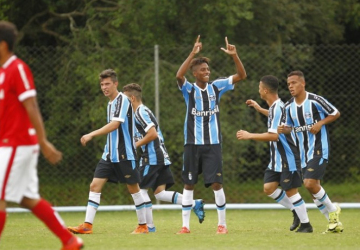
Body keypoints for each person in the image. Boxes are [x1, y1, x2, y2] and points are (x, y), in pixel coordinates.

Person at [0, 21, 83, 250]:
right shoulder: (1, 73)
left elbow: (32, 105)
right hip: (15, 144)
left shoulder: (17, 68)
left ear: (3, 44)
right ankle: (70, 240)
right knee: (27, 198)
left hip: (15, 143)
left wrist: (43, 140)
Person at [175, 35, 247, 234]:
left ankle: (222, 225)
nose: (207, 72)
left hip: (213, 144)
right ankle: (185, 226)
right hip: (192, 143)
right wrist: (192, 53)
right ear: (195, 73)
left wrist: (235, 55)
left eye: (208, 69)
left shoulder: (217, 86)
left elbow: (241, 75)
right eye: (203, 70)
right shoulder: (188, 89)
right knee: (189, 184)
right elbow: (179, 76)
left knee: (216, 183)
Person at [67, 69, 148, 235]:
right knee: (95, 186)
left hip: (125, 154)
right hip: (109, 155)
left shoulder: (123, 100)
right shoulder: (110, 103)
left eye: (107, 84)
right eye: (102, 84)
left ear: (115, 84)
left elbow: (115, 125)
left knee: (134, 189)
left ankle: (143, 225)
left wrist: (91, 134)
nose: (104, 87)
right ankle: (87, 225)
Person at [122, 83, 205, 233]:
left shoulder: (140, 112)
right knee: (159, 193)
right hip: (159, 156)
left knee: (140, 190)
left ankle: (148, 227)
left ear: (132, 98)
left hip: (152, 157)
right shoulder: (140, 111)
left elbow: (152, 134)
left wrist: (136, 145)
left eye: (124, 100)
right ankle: (193, 203)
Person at [236, 75, 312, 233]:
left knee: (291, 191)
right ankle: (295, 211)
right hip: (276, 159)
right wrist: (258, 108)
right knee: (269, 188)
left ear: (264, 90)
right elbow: (273, 117)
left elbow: (274, 136)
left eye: (259, 88)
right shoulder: (275, 107)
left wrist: (250, 135)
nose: (258, 91)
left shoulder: (278, 107)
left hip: (287, 157)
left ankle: (306, 224)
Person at [278, 70, 343, 233]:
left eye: (293, 83)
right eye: (288, 84)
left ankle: (333, 210)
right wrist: (283, 129)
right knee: (313, 190)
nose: (290, 87)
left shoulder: (315, 100)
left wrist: (320, 123)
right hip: (303, 153)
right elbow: (288, 128)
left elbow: (335, 113)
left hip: (319, 149)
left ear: (303, 83)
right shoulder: (288, 107)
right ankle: (333, 224)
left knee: (309, 183)